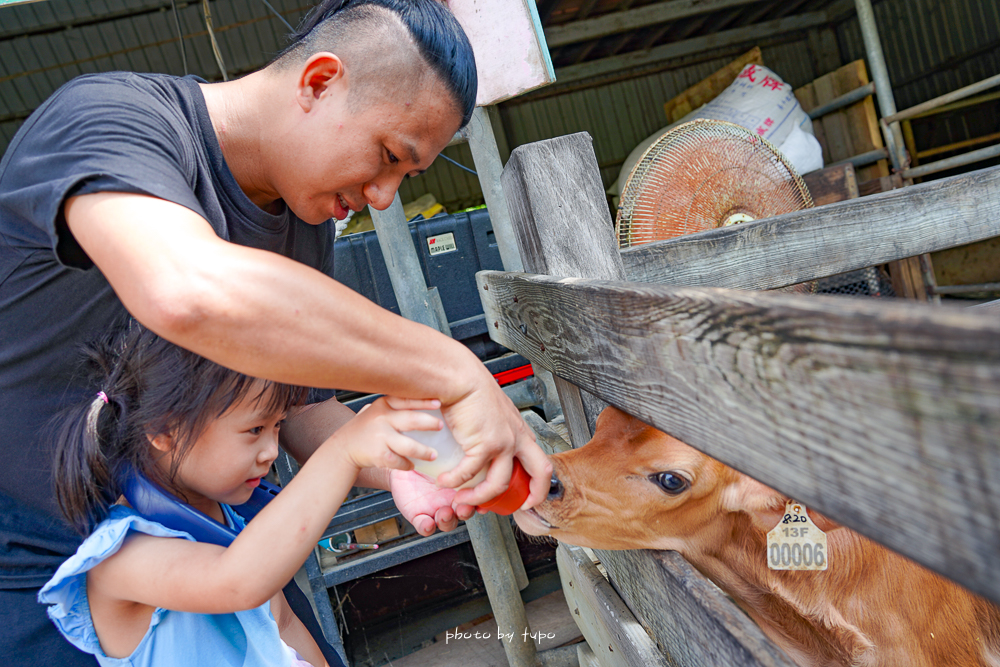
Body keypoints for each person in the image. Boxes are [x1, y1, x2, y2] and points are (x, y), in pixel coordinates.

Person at [0, 0, 551, 663]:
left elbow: (298, 408)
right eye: (386, 156)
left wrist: (411, 460)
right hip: (43, 561)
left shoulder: (302, 222)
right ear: (319, 82)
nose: (383, 197)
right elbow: (186, 289)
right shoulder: (113, 119)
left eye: (405, 178)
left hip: (215, 533)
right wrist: (452, 369)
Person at [40, 322, 447, 667]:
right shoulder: (121, 556)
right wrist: (343, 451)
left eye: (277, 427)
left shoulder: (228, 520)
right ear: (165, 430)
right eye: (255, 430)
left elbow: (283, 627)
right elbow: (236, 581)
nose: (272, 451)